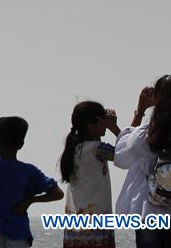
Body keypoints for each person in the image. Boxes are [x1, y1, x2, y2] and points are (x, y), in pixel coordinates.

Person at [115, 76, 171, 248]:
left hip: (150, 213)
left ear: (155, 99)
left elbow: (121, 156)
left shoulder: (142, 136)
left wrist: (140, 111)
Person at [0, 116, 63, 247]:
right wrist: (29, 201)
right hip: (19, 231)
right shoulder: (29, 171)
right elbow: (58, 194)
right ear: (21, 144)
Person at [59, 101, 120, 248]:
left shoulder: (74, 148)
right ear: (91, 126)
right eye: (102, 120)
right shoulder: (97, 149)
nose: (105, 124)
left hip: (75, 225)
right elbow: (127, 152)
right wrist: (115, 128)